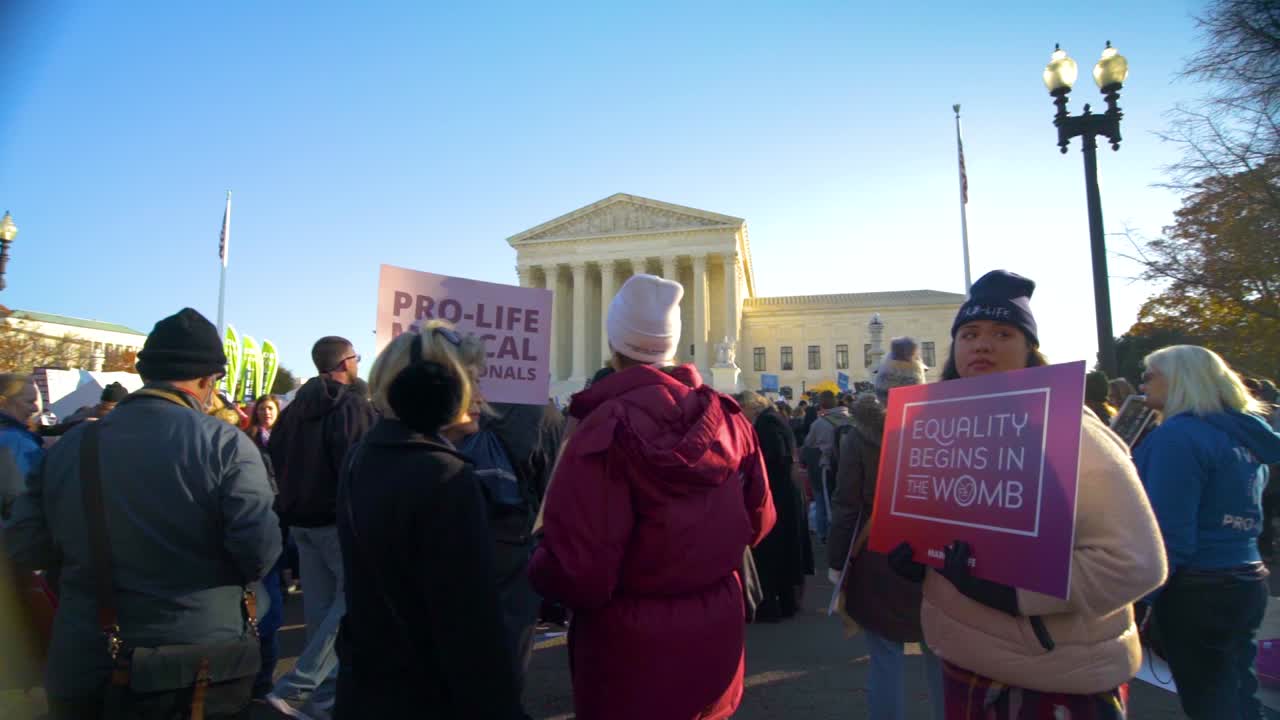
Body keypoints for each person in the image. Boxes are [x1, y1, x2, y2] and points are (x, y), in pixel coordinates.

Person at [889, 271, 1167, 719]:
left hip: (1052, 678)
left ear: (1028, 349)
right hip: (964, 662)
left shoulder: (1069, 431)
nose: (982, 345)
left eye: (1003, 333)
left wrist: (1014, 592)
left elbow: (1135, 562)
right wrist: (922, 560)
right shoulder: (939, 431)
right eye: (970, 333)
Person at [5, 308, 280, 718]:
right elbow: (258, 551)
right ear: (208, 381)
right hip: (197, 667)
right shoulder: (226, 444)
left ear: (146, 372)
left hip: (88, 656)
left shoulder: (70, 445)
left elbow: (27, 547)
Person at [529, 274, 776, 720]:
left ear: (614, 342)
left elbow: (580, 570)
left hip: (626, 648)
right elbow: (760, 522)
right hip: (716, 635)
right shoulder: (731, 420)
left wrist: (535, 570)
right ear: (671, 344)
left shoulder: (599, 431)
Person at [334, 324, 524, 719]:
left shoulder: (362, 456)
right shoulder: (444, 475)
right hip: (430, 696)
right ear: (435, 387)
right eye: (470, 381)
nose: (480, 396)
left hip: (370, 690)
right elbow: (469, 627)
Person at [1134, 345, 1280, 718]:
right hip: (1247, 579)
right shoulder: (1245, 438)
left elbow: (1168, 534)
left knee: (1211, 701)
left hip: (1196, 589)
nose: (1143, 381)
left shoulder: (1177, 438)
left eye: (1151, 373)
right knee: (1239, 692)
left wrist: (1139, 599)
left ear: (1181, 380)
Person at [829, 337, 942, 720]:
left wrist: (836, 561)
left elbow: (846, 504)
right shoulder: (947, 433)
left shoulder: (858, 437)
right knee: (941, 656)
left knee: (885, 659)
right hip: (937, 554)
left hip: (879, 552)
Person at [268, 336, 376, 719]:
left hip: (300, 521)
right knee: (352, 604)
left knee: (321, 615)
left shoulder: (294, 408)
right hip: (335, 520)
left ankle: (321, 705)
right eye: (356, 358)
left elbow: (275, 455)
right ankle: (298, 688)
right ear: (345, 363)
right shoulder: (350, 406)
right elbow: (356, 463)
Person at [736, 391, 810, 622]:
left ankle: (771, 607)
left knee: (771, 551)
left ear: (751, 407)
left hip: (777, 494)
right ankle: (788, 602)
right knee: (787, 550)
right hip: (785, 493)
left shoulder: (767, 424)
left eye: (743, 411)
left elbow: (773, 457)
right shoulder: (775, 419)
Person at [802, 389, 852, 542]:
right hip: (850, 466)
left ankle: (826, 535)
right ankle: (846, 531)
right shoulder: (851, 419)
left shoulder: (820, 423)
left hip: (827, 466)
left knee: (824, 501)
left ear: (822, 404)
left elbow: (808, 443)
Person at [0, 375, 43, 524]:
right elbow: (23, 500)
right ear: (3, 402)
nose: (36, 408)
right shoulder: (16, 442)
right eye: (29, 401)